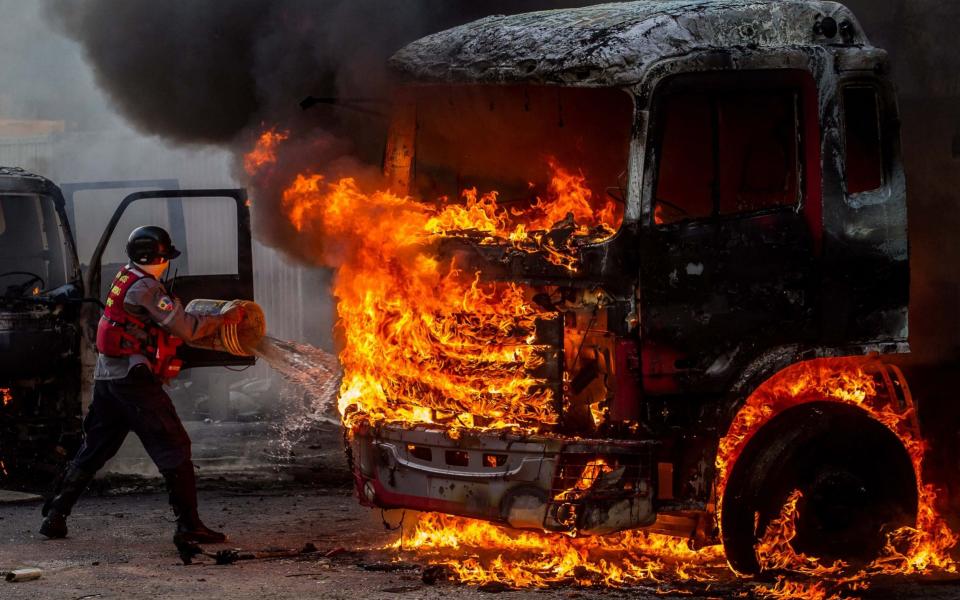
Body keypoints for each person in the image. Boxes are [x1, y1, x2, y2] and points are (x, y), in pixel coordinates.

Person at [40, 225, 244, 545]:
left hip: (109, 379)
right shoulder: (147, 288)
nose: (166, 263)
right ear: (154, 258)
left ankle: (56, 514)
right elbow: (187, 329)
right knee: (174, 446)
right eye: (164, 258)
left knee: (95, 449)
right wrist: (223, 320)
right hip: (133, 382)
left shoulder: (126, 276)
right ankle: (188, 525)